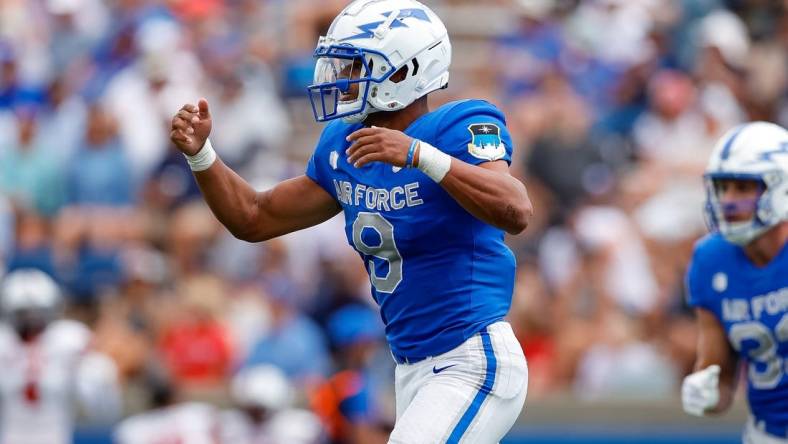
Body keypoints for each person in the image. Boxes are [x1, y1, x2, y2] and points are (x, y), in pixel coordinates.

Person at [170, 0, 531, 442]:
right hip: (412, 367)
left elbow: (516, 210)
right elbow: (253, 217)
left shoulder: (457, 126)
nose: (341, 79)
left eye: (355, 65)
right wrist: (202, 155)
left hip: (471, 357)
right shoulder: (345, 145)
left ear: (404, 71)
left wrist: (420, 155)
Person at [682, 122, 788, 443]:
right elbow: (720, 374)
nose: (728, 201)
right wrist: (708, 392)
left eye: (743, 188)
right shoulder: (711, 259)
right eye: (722, 187)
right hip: (768, 432)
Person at [0, 268, 121, 444]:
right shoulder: (4, 342)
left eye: (36, 313)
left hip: (57, 437)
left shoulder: (69, 339)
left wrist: (88, 375)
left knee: (97, 370)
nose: (31, 321)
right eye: (23, 314)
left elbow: (103, 407)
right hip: (10, 436)